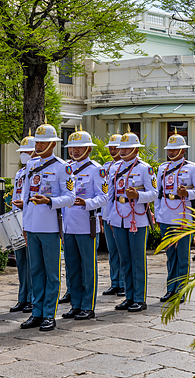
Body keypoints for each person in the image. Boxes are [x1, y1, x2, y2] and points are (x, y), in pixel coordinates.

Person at [18, 124, 75, 331]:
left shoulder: (63, 167)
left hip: (50, 227)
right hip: (32, 225)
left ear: (52, 143)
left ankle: (49, 314)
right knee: (36, 271)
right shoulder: (31, 165)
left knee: (51, 273)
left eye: (43, 142)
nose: (39, 145)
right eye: (37, 142)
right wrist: (25, 224)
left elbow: (70, 197)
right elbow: (25, 197)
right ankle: (37, 311)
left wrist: (49, 201)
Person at [105, 130, 156, 312]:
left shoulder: (144, 168)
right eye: (122, 148)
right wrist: (110, 216)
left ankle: (139, 298)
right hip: (118, 216)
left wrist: (138, 195)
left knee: (137, 258)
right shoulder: (115, 168)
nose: (123, 151)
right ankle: (129, 295)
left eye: (127, 148)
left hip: (137, 218)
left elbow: (154, 193)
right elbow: (110, 195)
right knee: (124, 258)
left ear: (135, 148)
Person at [61, 129, 107, 321]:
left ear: (88, 148)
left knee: (88, 268)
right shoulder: (66, 168)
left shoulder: (96, 169)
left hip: (86, 223)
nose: (75, 151)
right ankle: (76, 304)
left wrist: (87, 203)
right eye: (72, 147)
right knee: (72, 267)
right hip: (68, 225)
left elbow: (104, 197)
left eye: (79, 147)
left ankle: (88, 306)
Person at [154, 132, 195, 302]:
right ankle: (171, 288)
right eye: (170, 149)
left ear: (183, 150)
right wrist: (158, 215)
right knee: (170, 256)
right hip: (166, 215)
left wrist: (186, 193)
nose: (171, 152)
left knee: (182, 255)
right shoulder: (163, 168)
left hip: (183, 216)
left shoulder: (192, 168)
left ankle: (181, 289)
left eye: (175, 149)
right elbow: (159, 194)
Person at [9, 133, 36, 314]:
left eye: (27, 151)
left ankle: (33, 298)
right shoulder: (20, 172)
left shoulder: (36, 172)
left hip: (32, 219)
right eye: (22, 151)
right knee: (21, 262)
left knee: (33, 262)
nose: (24, 154)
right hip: (18, 218)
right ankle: (22, 297)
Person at [100, 134, 125, 297]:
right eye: (110, 147)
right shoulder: (106, 166)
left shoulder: (125, 166)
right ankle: (114, 282)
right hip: (107, 212)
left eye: (115, 147)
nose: (112, 150)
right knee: (112, 250)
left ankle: (124, 283)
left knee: (122, 250)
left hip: (121, 213)